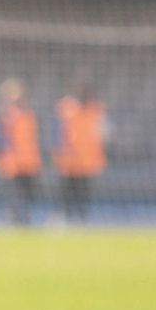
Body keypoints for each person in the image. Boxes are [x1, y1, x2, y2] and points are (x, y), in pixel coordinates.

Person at [54, 69, 108, 223]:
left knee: (83, 192)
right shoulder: (65, 106)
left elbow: (104, 131)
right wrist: (60, 151)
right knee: (65, 191)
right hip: (69, 158)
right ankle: (63, 217)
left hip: (87, 159)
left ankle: (81, 218)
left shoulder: (97, 108)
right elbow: (57, 132)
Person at [0, 78, 42, 225]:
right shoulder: (7, 116)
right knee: (15, 195)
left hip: (29, 163)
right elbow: (2, 140)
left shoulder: (29, 115)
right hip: (13, 163)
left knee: (28, 195)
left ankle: (24, 220)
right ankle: (13, 220)